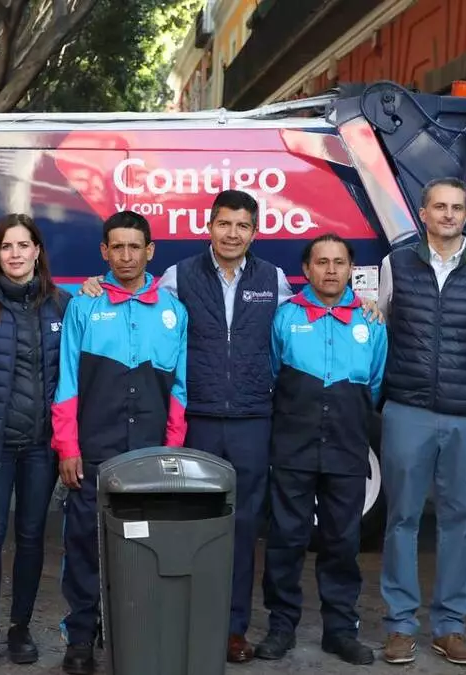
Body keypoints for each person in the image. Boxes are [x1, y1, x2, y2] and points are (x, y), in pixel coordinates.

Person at [80, 190, 373, 662]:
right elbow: (139, 295)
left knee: (241, 529)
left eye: (242, 226)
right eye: (224, 224)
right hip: (197, 419)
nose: (232, 233)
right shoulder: (178, 277)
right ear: (209, 227)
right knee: (183, 525)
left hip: (253, 423)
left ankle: (232, 629)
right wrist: (96, 282)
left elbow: (315, 312)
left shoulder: (272, 279)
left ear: (254, 232)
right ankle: (176, 617)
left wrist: (364, 305)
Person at [377, 177, 466, 666]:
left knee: (459, 520)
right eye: (440, 207)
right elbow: (382, 325)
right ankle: (399, 625)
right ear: (423, 213)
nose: (449, 215)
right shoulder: (396, 264)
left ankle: (450, 626)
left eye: (457, 208)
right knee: (402, 519)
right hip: (407, 410)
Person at [55, 211, 188, 675]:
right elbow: (67, 382)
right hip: (94, 446)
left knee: (144, 546)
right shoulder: (83, 306)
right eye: (118, 247)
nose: (127, 256)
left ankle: (134, 632)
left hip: (151, 449)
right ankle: (80, 635)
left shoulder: (173, 311)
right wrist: (67, 446)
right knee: (85, 544)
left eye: (136, 247)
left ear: (150, 251)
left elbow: (180, 390)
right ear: (104, 253)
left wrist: (172, 450)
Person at [255, 234, 387, 666]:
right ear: (307, 270)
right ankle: (281, 626)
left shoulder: (371, 322)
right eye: (321, 262)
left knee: (342, 542)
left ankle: (340, 630)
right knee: (286, 539)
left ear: (351, 269)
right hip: (293, 445)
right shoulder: (285, 317)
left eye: (339, 262)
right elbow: (273, 373)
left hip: (348, 448)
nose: (330, 270)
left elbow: (375, 383)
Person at [0, 214, 70, 666]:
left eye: (24, 245)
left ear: (38, 251)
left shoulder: (61, 305)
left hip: (41, 446)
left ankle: (20, 627)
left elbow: (70, 372)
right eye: (7, 247)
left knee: (31, 536)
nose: (16, 254)